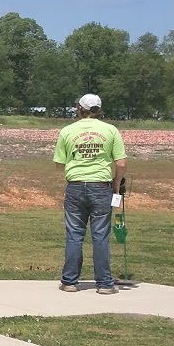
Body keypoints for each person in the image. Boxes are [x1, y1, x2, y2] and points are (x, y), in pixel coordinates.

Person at [54, 92, 127, 294]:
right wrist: (116, 183)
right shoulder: (110, 130)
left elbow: (60, 164)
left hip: (75, 185)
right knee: (100, 236)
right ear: (99, 110)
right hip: (101, 185)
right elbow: (121, 163)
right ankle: (104, 284)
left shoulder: (67, 131)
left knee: (74, 235)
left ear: (80, 108)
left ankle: (69, 281)